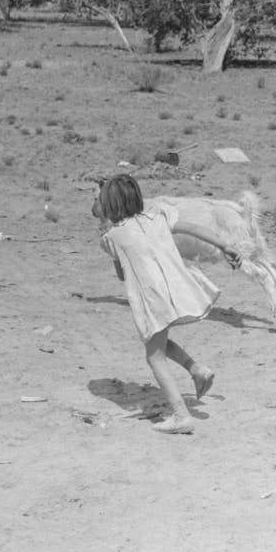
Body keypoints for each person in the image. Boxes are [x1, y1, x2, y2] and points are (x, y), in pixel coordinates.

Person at [95, 174, 242, 434]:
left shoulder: (112, 238)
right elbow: (194, 228)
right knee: (158, 342)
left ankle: (181, 415)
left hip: (152, 297)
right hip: (176, 288)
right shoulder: (159, 216)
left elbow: (121, 274)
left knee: (154, 357)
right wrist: (226, 245)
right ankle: (197, 370)